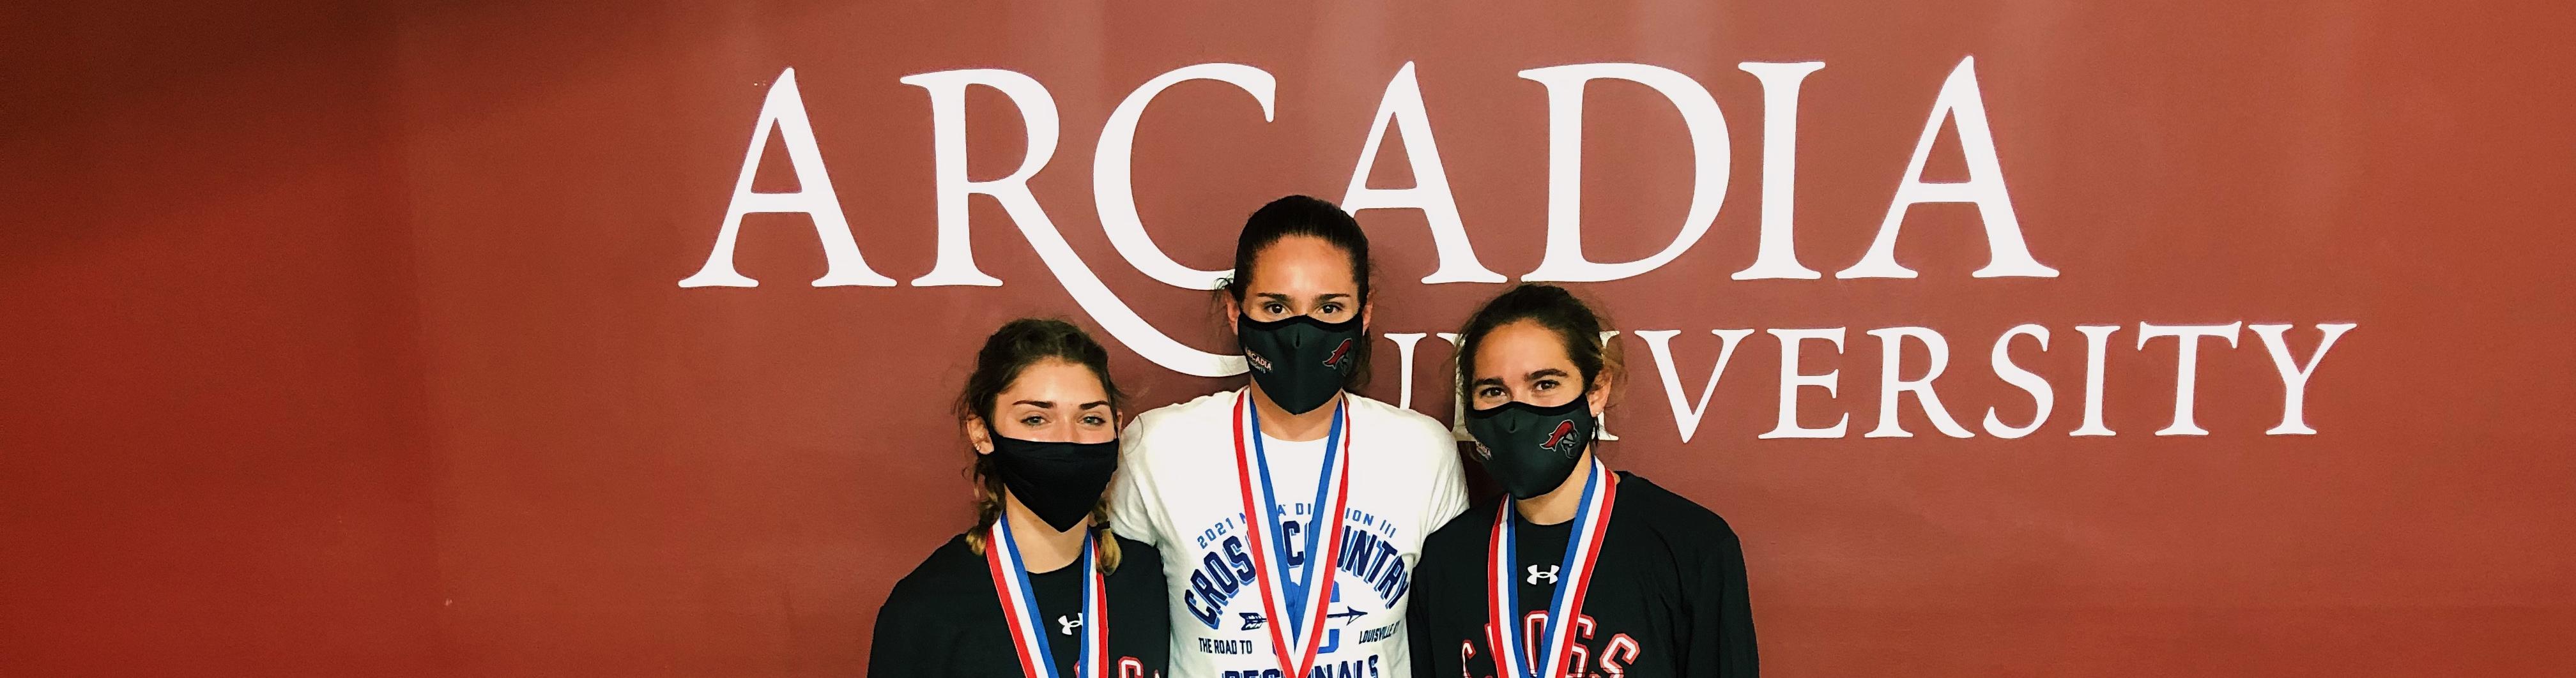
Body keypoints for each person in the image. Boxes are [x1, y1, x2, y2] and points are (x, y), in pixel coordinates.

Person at [1112, 195, 1468, 678]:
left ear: (1364, 314)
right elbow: (1125, 632)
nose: (1301, 331)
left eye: (1329, 307)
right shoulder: (1156, 446)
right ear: (1236, 311)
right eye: (1276, 306)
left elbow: (1443, 635)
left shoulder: (1423, 451)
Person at [1406, 283, 1758, 678]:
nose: (1516, 414)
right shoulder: (1446, 560)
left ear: (1596, 390)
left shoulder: (1692, 546)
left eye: (1545, 385)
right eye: (1493, 391)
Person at [872, 319, 1169, 678]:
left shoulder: (1150, 578)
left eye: (1091, 419)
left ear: (1117, 428)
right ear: (982, 432)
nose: (1068, 439)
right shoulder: (927, 609)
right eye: (1035, 419)